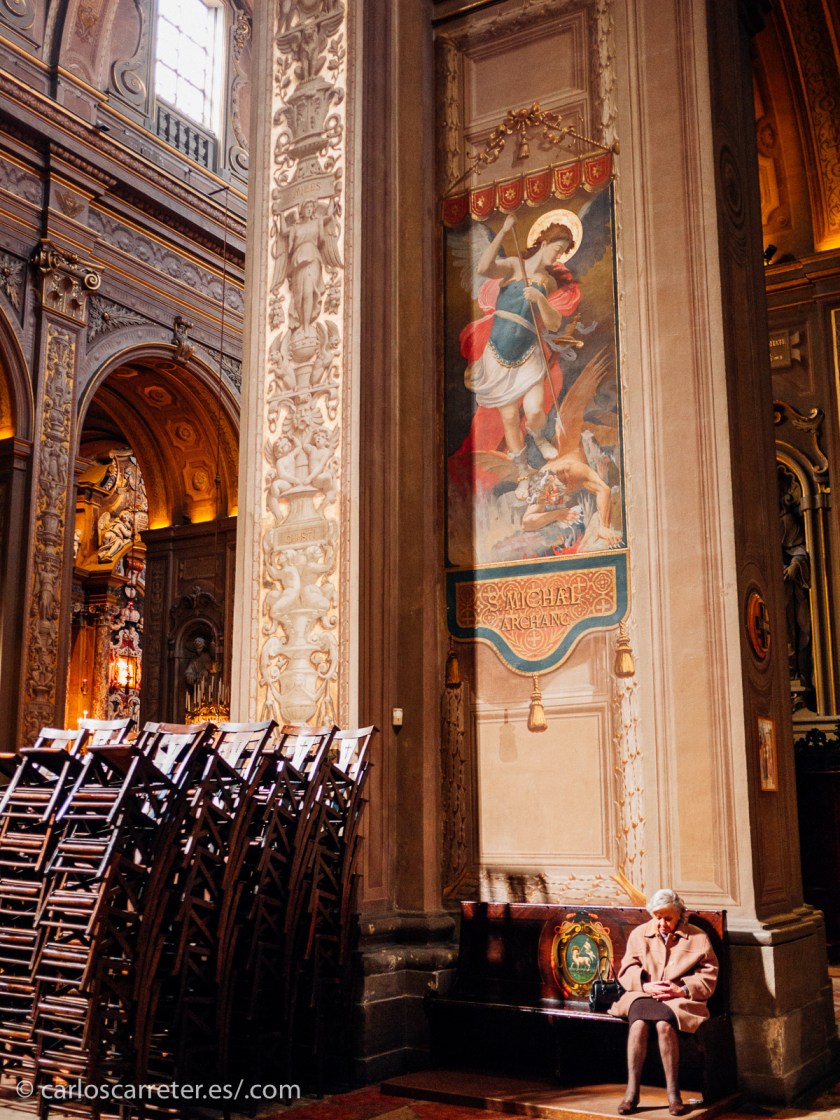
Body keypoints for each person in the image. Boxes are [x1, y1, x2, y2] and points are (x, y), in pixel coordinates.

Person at [461, 211, 581, 498]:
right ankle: (523, 474)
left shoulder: (545, 281)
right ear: (544, 243)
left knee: (535, 410)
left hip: (528, 354)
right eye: (557, 249)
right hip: (498, 355)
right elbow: (483, 267)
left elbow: (553, 323)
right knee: (510, 418)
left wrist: (539, 298)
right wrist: (504, 231)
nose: (558, 257)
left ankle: (539, 436)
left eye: (563, 253)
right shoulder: (514, 266)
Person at [608, 888, 718, 1116]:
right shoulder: (639, 933)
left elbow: (709, 973)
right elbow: (627, 968)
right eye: (657, 917)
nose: (661, 923)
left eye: (668, 918)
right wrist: (644, 985)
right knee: (637, 1024)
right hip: (644, 994)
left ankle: (673, 1094)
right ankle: (632, 1092)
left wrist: (682, 989)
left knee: (664, 1025)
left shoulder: (698, 936)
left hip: (679, 999)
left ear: (680, 915)